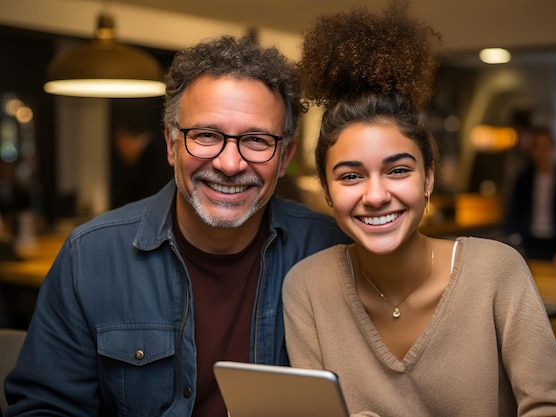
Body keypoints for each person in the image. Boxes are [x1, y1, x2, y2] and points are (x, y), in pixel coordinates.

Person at [4, 35, 350, 417]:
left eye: (255, 140)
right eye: (206, 135)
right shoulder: (89, 257)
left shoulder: (330, 248)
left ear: (284, 157)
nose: (230, 164)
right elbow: (44, 409)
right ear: (171, 144)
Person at [282, 2, 556, 416]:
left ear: (428, 179)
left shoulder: (496, 272)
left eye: (397, 170)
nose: (375, 196)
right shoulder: (306, 287)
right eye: (351, 176)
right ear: (326, 189)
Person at [504, 126, 556, 266]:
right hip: (530, 243)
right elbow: (513, 214)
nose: (542, 152)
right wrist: (512, 244)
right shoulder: (523, 179)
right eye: (537, 147)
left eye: (545, 146)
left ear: (554, 148)